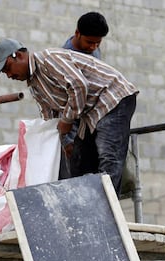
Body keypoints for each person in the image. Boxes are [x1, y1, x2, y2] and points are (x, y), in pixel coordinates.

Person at [0, 38, 138, 196]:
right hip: (89, 113)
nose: (9, 75)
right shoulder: (35, 87)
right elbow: (52, 119)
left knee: (108, 157)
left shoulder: (49, 59)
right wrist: (65, 141)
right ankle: (89, 207)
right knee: (79, 162)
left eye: (7, 68)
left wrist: (66, 120)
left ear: (18, 55)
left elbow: (79, 85)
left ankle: (107, 211)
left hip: (112, 96)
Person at [59, 11, 109, 179]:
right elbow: (63, 104)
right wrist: (67, 141)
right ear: (77, 33)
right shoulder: (65, 59)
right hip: (75, 127)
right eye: (89, 42)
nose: (93, 47)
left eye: (98, 43)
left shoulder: (93, 49)